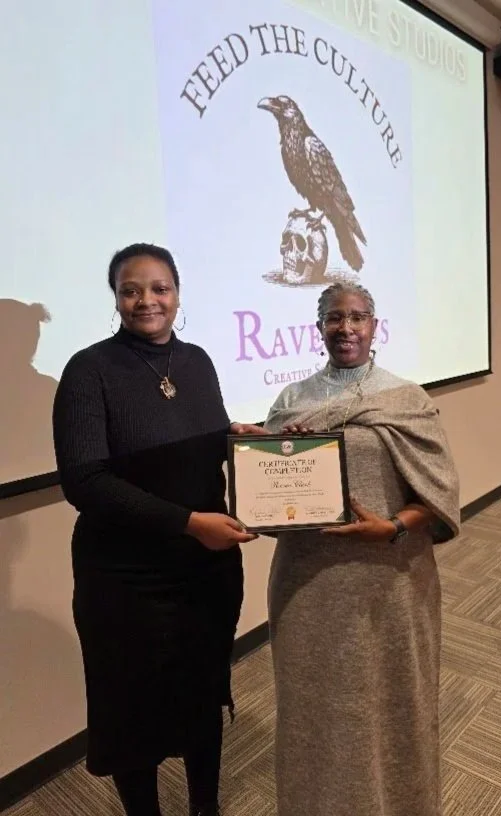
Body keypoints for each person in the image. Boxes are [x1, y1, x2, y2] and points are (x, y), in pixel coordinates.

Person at [52, 243, 264, 816]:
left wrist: (240, 438)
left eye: (159, 288)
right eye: (131, 289)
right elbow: (85, 481)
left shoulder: (196, 360)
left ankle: (205, 808)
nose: (147, 300)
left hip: (206, 570)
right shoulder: (88, 369)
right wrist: (188, 524)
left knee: (201, 695)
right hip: (125, 578)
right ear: (116, 297)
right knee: (131, 712)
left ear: (177, 292)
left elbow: (203, 436)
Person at [264, 279, 460, 816]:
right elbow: (270, 495)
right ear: (319, 326)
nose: (345, 328)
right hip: (309, 587)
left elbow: (439, 494)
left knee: (395, 705)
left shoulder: (407, 398)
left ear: (375, 326)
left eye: (357, 317)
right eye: (333, 318)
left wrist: (393, 526)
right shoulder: (290, 401)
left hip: (392, 580)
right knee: (315, 714)